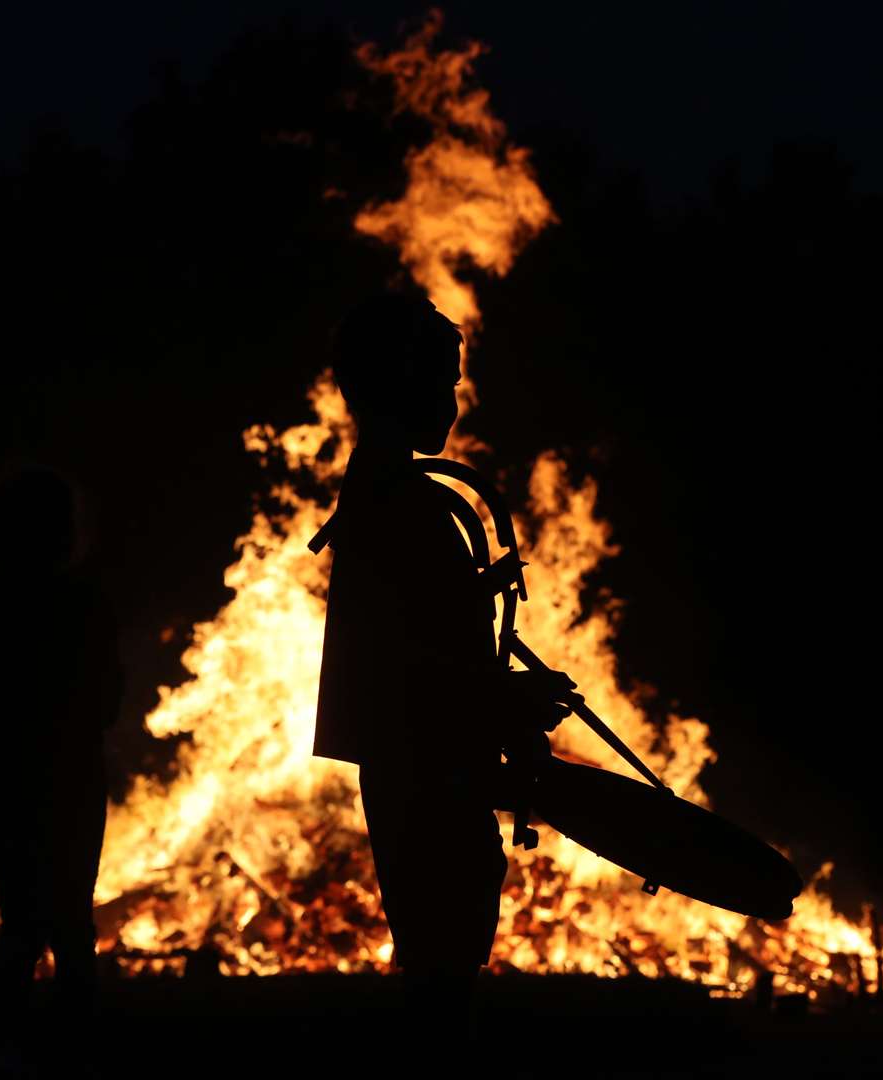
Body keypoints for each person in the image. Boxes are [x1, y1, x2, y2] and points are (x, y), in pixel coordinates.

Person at [312, 293, 572, 1039]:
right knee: (443, 974)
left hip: (419, 762)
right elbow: (415, 664)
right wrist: (511, 702)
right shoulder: (404, 508)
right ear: (404, 383)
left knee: (441, 967)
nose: (453, 402)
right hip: (426, 769)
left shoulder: (389, 496)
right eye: (445, 383)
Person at [0, 466, 122, 1060]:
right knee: (70, 924)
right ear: (66, 532)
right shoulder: (83, 605)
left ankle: (0, 1052)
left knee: (21, 925)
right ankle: (74, 1054)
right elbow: (107, 698)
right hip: (71, 775)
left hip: (7, 769)